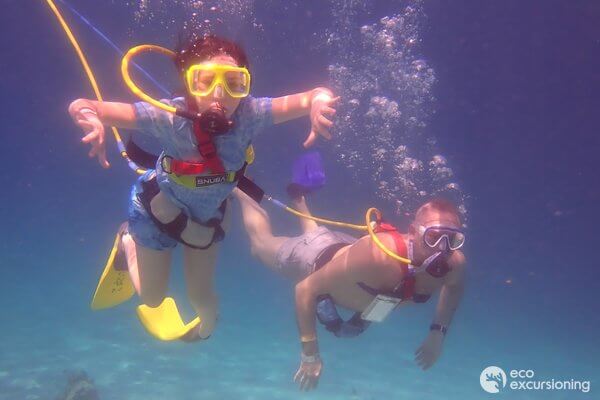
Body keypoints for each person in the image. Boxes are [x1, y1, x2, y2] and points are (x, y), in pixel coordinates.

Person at [68, 35, 339, 341]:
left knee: (203, 297)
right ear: (189, 83)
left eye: (234, 83)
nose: (219, 94)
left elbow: (314, 94)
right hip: (157, 209)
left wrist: (319, 101)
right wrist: (90, 119)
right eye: (205, 81)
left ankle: (204, 332)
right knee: (152, 299)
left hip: (206, 219)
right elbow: (84, 105)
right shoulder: (167, 116)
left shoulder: (250, 115)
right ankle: (128, 240)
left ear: (246, 86)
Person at [233, 187, 466, 391]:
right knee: (260, 244)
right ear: (413, 232)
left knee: (319, 237)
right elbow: (305, 289)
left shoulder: (454, 264)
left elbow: (454, 288)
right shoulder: (379, 257)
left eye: (452, 240)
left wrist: (438, 332)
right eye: (434, 238)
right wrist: (310, 354)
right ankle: (240, 186)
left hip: (342, 252)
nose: (442, 250)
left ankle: (300, 201)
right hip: (310, 256)